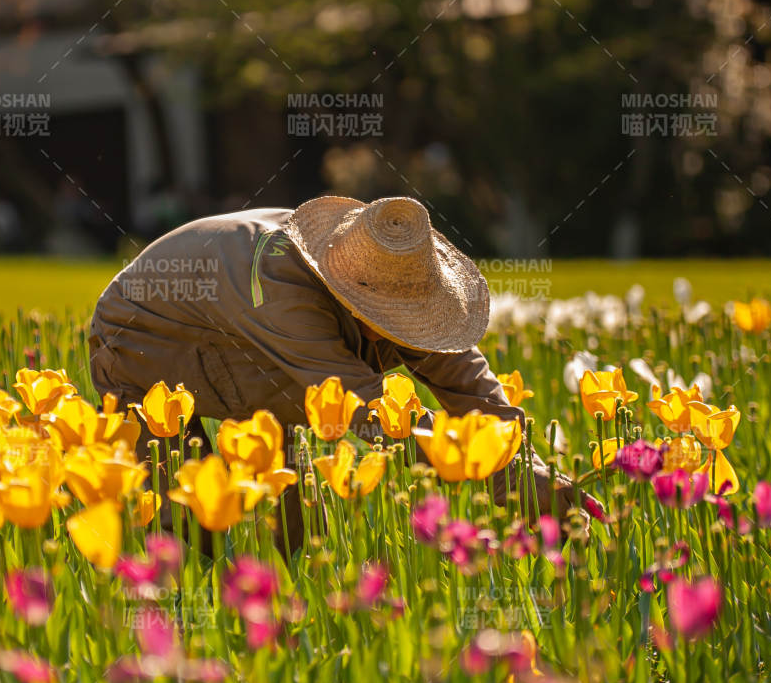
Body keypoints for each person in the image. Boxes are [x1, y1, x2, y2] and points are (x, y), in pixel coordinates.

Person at [89, 195, 576, 532]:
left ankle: (289, 627)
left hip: (249, 347)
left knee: (295, 527)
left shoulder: (394, 267)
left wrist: (528, 466)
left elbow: (466, 380)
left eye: (415, 315)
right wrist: (501, 473)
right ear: (348, 298)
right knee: (187, 523)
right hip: (143, 341)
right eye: (392, 318)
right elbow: (366, 408)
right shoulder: (281, 288)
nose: (410, 328)